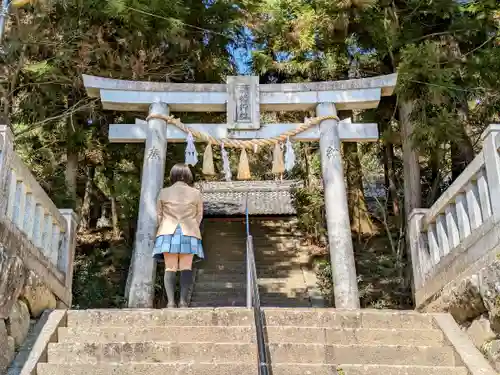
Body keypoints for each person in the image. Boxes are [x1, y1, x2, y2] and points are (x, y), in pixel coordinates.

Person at [153, 163, 204, 308]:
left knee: (170, 267)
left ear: (173, 175)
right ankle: (183, 302)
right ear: (188, 176)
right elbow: (199, 215)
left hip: (167, 231)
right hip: (189, 231)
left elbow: (159, 215)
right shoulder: (196, 193)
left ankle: (170, 302)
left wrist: (164, 225)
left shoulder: (163, 192)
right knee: (186, 267)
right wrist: (193, 225)